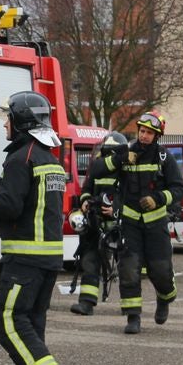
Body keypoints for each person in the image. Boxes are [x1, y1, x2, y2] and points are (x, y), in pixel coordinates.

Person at [0, 92, 72, 365]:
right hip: (49, 258)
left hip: (25, 258)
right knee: (32, 320)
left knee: (8, 319)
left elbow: (10, 207)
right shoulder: (49, 158)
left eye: (8, 119)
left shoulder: (20, 157)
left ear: (21, 122)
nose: (5, 124)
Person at [98, 110, 183, 335]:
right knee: (129, 270)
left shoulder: (165, 158)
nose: (144, 136)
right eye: (142, 131)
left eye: (149, 133)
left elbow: (178, 188)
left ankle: (164, 298)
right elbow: (97, 170)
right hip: (130, 224)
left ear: (157, 136)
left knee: (161, 271)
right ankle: (133, 317)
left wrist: (157, 199)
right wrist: (119, 158)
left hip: (156, 224)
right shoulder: (126, 153)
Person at [70, 131, 125, 316]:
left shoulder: (125, 169)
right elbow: (87, 188)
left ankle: (131, 306)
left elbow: (131, 195)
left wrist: (116, 209)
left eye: (110, 153)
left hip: (119, 225)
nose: (106, 157)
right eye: (104, 152)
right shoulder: (96, 167)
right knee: (89, 260)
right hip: (96, 222)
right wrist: (85, 201)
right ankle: (86, 303)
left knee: (127, 265)